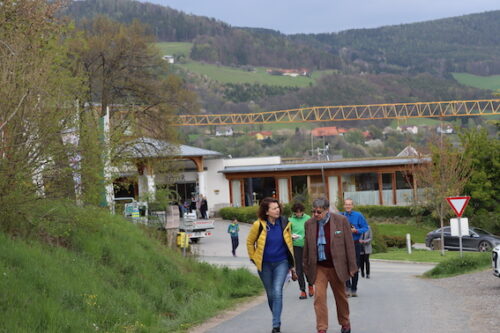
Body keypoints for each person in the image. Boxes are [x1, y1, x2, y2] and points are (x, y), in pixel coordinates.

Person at [303, 197, 357, 333]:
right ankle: (322, 328)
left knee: (341, 297)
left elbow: (349, 245)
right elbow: (307, 247)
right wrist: (305, 267)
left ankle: (345, 322)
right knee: (319, 298)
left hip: (337, 266)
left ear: (327, 210)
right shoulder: (309, 224)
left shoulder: (341, 221)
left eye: (319, 212)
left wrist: (352, 267)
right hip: (319, 267)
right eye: (313, 211)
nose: (315, 214)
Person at [247, 197, 296, 333]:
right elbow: (250, 242)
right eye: (274, 208)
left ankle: (276, 325)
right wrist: (253, 258)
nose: (277, 210)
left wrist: (291, 264)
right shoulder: (259, 225)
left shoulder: (285, 223)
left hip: (282, 262)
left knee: (277, 291)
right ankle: (276, 317)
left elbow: (288, 241)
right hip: (264, 265)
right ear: (266, 212)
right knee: (270, 295)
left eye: (278, 207)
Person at [341, 198, 369, 297]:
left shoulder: (358, 215)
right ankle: (347, 287)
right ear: (344, 206)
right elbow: (335, 229)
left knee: (355, 266)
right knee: (345, 265)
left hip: (355, 243)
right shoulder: (340, 216)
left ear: (352, 206)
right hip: (343, 244)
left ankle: (354, 288)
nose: (348, 206)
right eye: (346, 204)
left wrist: (356, 231)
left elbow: (366, 227)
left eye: (349, 204)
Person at [289, 201, 314, 299]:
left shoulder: (308, 218)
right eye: (296, 212)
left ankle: (311, 285)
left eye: (300, 212)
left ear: (303, 211)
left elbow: (312, 230)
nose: (298, 214)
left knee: (308, 267)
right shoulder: (290, 220)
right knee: (299, 269)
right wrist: (291, 235)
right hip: (296, 246)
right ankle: (302, 290)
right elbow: (287, 233)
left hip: (307, 246)